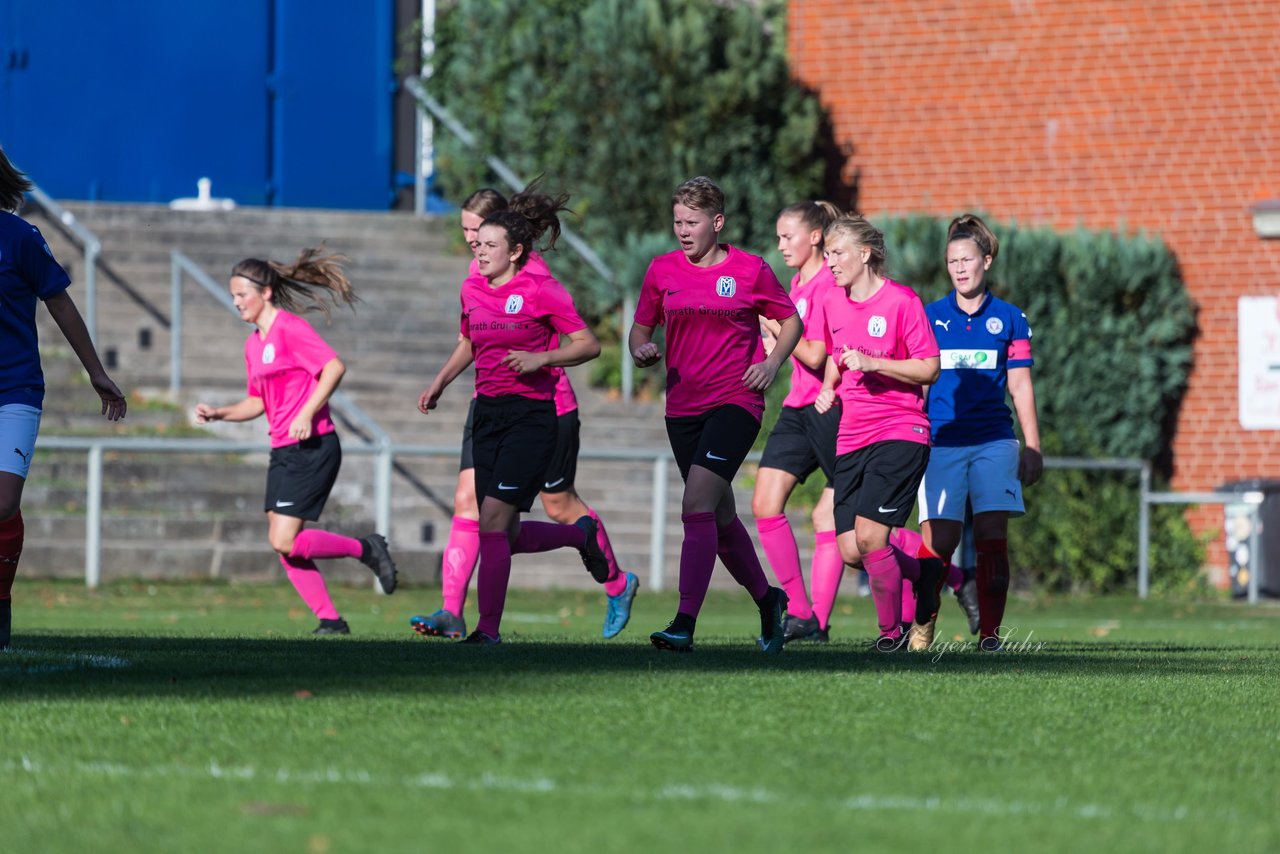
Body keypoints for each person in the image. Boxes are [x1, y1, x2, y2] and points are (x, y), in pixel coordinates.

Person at [410, 188, 637, 641]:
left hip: (542, 411)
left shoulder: (538, 283)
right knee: (493, 524)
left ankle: (489, 629)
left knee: (529, 513)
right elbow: (471, 341)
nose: (473, 244)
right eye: (468, 235)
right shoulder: (473, 284)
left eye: (480, 235)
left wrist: (542, 359)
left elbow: (585, 343)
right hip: (488, 410)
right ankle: (457, 610)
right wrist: (439, 383)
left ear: (511, 243)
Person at [630, 176, 802, 653]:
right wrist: (641, 348)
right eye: (677, 222)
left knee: (696, 505)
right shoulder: (662, 270)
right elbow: (639, 329)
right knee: (720, 517)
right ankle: (769, 601)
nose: (682, 230)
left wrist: (770, 364)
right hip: (682, 407)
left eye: (692, 222)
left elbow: (791, 320)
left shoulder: (749, 270)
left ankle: (684, 623)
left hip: (735, 402)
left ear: (717, 222)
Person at [195, 248, 398, 635]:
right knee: (283, 543)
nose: (235, 302)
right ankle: (330, 621)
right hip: (283, 450)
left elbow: (334, 368)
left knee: (284, 538)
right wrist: (220, 412)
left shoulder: (290, 329)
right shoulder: (254, 344)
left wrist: (307, 412)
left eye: (241, 294)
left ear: (265, 292)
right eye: (233, 295)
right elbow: (257, 401)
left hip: (314, 446)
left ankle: (367, 549)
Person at [0, 147, 127, 649]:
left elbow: (60, 304)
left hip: (15, 387)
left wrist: (96, 372)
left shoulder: (20, 237)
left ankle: (1, 599)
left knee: (4, 502)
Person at [813, 214, 941, 651]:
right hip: (852, 436)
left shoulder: (902, 302)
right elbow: (836, 352)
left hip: (901, 429)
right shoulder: (832, 301)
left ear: (864, 255)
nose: (829, 262)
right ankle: (928, 573)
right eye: (827, 253)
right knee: (851, 549)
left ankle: (892, 636)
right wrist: (829, 387)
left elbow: (930, 368)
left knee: (870, 538)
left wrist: (876, 363)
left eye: (838, 253)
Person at [917, 214, 1041, 652]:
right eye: (952, 261)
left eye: (967, 259)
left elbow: (1020, 384)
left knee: (992, 533)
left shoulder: (1009, 319)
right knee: (940, 540)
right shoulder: (928, 317)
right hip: (942, 443)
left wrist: (1033, 445)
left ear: (986, 261)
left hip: (994, 441)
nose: (960, 268)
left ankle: (990, 636)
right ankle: (921, 627)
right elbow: (919, 383)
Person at [751, 200, 844, 644]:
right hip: (796, 407)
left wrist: (770, 323)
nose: (781, 245)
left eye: (788, 236)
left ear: (815, 237)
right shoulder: (796, 283)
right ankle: (803, 614)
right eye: (779, 236)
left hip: (832, 408)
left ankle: (935, 576)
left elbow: (815, 354)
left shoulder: (830, 284)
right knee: (765, 502)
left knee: (847, 524)